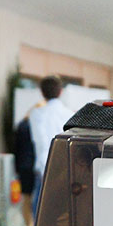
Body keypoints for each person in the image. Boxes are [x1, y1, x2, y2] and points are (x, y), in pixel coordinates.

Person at [27, 75, 75, 217]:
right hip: (64, 166)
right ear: (61, 91)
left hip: (43, 166)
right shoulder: (69, 114)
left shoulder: (36, 114)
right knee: (62, 210)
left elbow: (40, 142)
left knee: (40, 210)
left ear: (41, 92)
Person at [12, 115, 36, 226]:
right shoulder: (41, 122)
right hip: (38, 166)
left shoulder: (22, 125)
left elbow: (16, 149)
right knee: (39, 197)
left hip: (24, 166)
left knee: (26, 197)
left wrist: (16, 168)